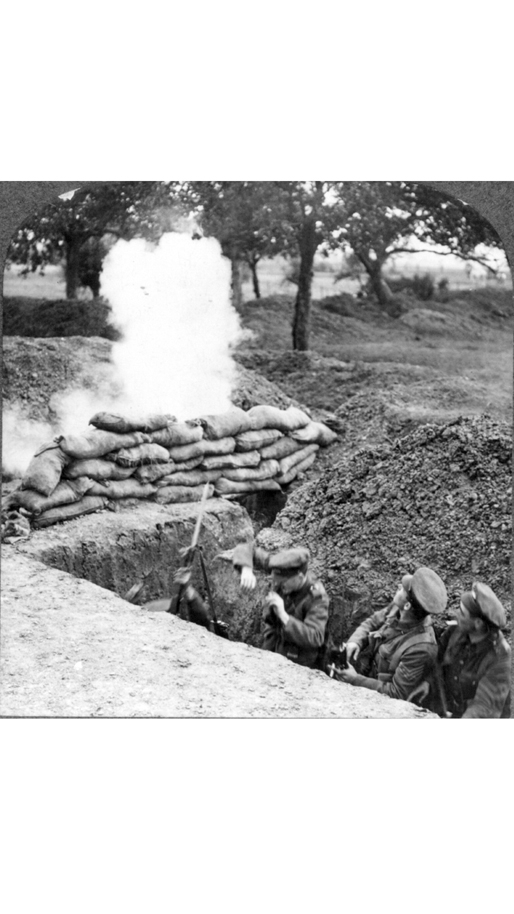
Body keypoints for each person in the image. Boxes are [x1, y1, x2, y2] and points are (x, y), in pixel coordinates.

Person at [335, 567, 447, 704]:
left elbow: (396, 693)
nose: (398, 587)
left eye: (402, 589)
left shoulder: (421, 648)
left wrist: (355, 680)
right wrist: (355, 642)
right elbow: (372, 622)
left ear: (407, 606)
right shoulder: (398, 607)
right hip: (371, 673)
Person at [223, 541, 329, 668]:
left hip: (296, 661)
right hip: (272, 646)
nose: (279, 586)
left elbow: (316, 638)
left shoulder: (316, 598)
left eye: (283, 583)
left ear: (300, 577)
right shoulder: (281, 568)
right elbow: (245, 548)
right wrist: (246, 569)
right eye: (276, 582)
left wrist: (284, 616)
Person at [436, 582, 511, 718]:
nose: (456, 614)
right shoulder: (455, 631)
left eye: (462, 613)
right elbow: (435, 663)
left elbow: (484, 708)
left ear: (477, 623)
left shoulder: (499, 656)